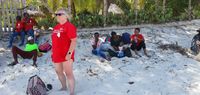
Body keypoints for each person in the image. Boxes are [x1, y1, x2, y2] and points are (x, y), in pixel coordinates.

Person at [51, 8, 77, 95]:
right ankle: (64, 87)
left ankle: (72, 92)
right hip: (57, 54)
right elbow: (55, 41)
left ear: (66, 16)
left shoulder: (69, 26)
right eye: (56, 14)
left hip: (67, 54)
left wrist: (69, 54)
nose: (57, 16)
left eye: (59, 14)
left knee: (68, 73)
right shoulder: (56, 27)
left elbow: (73, 41)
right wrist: (53, 53)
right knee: (58, 71)